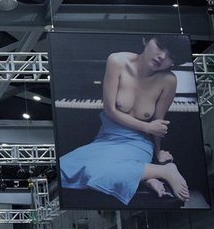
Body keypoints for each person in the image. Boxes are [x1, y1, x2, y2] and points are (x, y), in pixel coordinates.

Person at [60, 37, 191, 205]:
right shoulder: (117, 61)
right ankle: (145, 176)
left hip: (138, 143)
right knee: (63, 167)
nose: (162, 57)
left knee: (101, 173)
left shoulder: (168, 80)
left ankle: (165, 170)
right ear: (145, 40)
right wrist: (147, 126)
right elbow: (110, 110)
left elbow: (158, 123)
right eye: (159, 46)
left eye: (171, 56)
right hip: (107, 139)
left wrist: (157, 152)